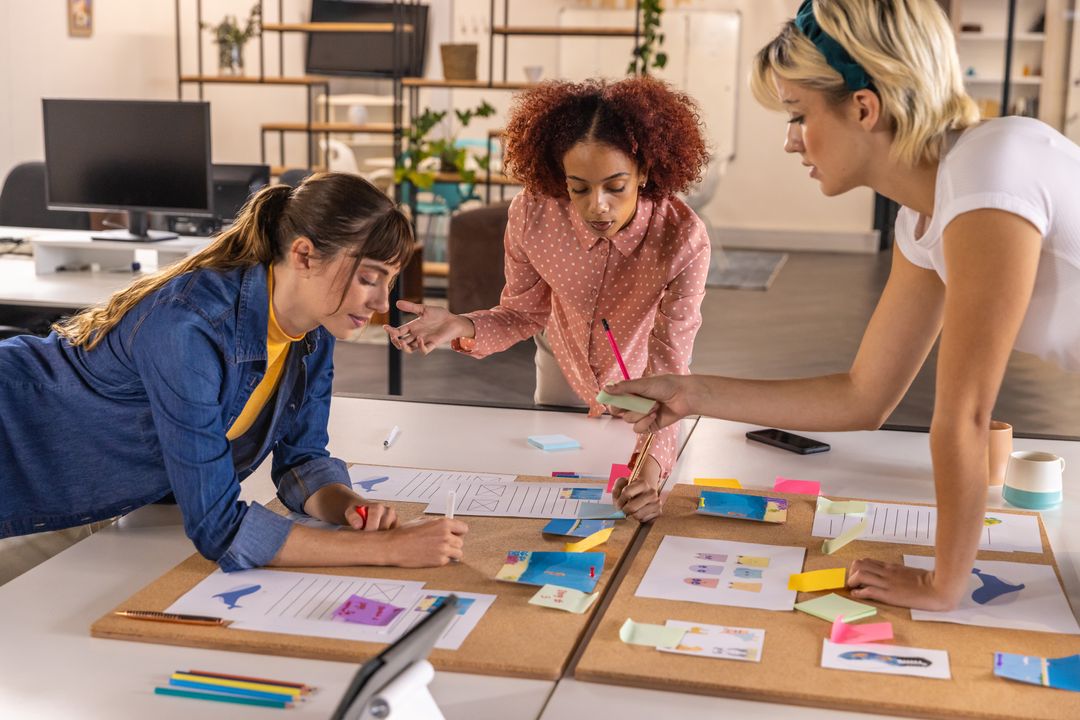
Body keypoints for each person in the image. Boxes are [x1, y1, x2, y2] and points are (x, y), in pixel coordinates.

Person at [607, 0, 1080, 611]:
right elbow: (864, 394)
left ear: (863, 107)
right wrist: (691, 394)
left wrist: (944, 583)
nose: (789, 140)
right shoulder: (927, 215)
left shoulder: (989, 171)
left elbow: (964, 415)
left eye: (798, 114)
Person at [0, 172, 467, 584]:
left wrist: (347, 507)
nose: (382, 302)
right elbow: (218, 529)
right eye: (369, 278)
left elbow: (302, 461)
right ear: (304, 255)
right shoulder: (188, 327)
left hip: (98, 498)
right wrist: (387, 550)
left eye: (389, 281)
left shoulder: (312, 330)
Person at [384, 77, 711, 505]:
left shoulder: (682, 239)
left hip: (643, 381)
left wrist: (649, 471)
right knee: (551, 493)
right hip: (562, 370)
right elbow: (523, 313)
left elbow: (671, 369)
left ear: (644, 172)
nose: (598, 206)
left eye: (616, 186)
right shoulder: (533, 214)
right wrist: (460, 323)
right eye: (578, 188)